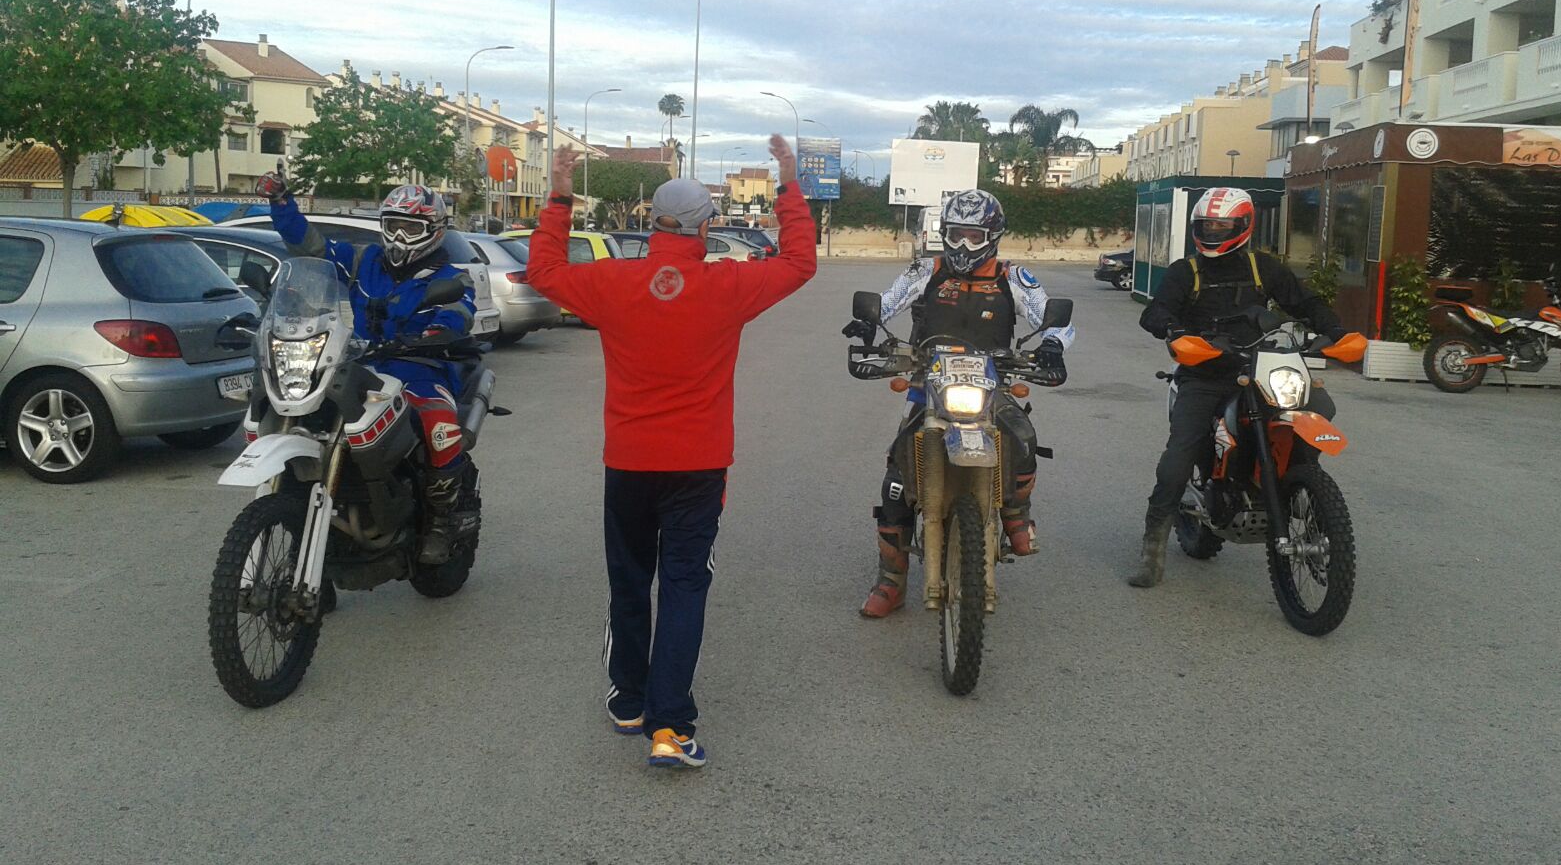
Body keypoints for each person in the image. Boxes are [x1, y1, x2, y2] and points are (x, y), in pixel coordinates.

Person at [525, 135, 816, 770]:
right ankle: (670, 727)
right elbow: (799, 263)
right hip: (697, 465)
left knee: (629, 578)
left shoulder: (613, 282)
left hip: (629, 462)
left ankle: (630, 700)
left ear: (653, 222)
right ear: (705, 228)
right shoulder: (726, 285)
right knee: (684, 586)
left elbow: (543, 271)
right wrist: (789, 185)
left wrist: (560, 197)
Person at [843, 189, 1074, 619]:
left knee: (1023, 439)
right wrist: (867, 323)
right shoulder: (926, 270)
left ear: (993, 236)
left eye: (974, 236)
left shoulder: (1013, 277)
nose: (963, 245)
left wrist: (1053, 344)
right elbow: (888, 302)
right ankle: (890, 582)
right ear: (944, 234)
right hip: (926, 381)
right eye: (955, 234)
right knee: (896, 479)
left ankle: (1016, 513)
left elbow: (1052, 317)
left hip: (992, 384)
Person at [255, 168, 476, 565]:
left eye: (411, 228)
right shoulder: (362, 260)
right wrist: (281, 203)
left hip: (420, 365)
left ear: (434, 230)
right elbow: (311, 247)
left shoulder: (451, 277)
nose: (400, 237)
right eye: (393, 226)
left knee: (438, 423)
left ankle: (442, 518)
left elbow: (459, 312)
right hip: (360, 362)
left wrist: (436, 332)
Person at [1131, 186, 1346, 588]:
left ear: (1244, 225)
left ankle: (1300, 480)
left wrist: (1334, 329)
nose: (1212, 232)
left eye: (1221, 226)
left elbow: (1304, 301)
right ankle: (1152, 547)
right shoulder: (1186, 271)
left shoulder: (1263, 268)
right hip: (1205, 373)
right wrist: (1176, 331)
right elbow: (1155, 312)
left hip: (1262, 367)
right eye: (1206, 225)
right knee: (1178, 457)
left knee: (1319, 405)